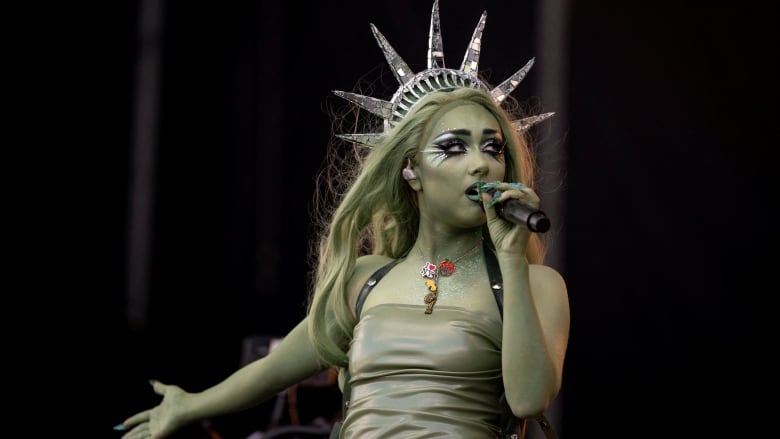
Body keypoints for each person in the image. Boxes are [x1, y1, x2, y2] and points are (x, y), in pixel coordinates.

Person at [115, 1, 570, 438]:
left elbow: (529, 401)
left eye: (492, 147)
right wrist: (188, 405)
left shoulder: (536, 285)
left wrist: (511, 260)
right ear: (411, 169)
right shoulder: (365, 280)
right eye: (453, 147)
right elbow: (270, 373)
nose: (481, 164)